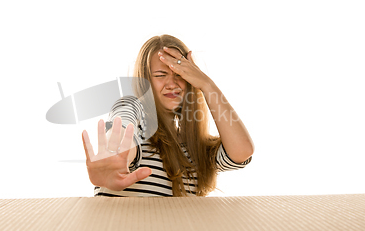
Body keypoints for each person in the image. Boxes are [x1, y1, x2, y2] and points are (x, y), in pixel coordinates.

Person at [81, 34, 254, 197]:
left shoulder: (197, 150)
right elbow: (124, 126)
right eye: (161, 75)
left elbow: (242, 151)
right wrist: (115, 157)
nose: (172, 84)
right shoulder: (133, 110)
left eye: (180, 75)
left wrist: (207, 84)